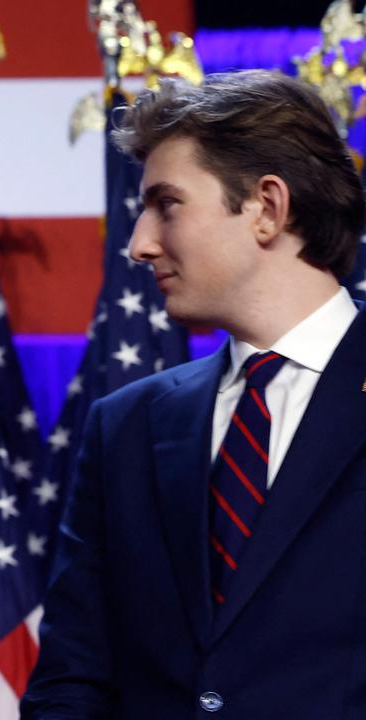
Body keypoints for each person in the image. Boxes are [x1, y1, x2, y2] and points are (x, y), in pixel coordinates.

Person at [22, 70, 366, 718]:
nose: (139, 244)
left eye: (167, 204)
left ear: (267, 207)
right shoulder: (124, 427)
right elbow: (73, 682)